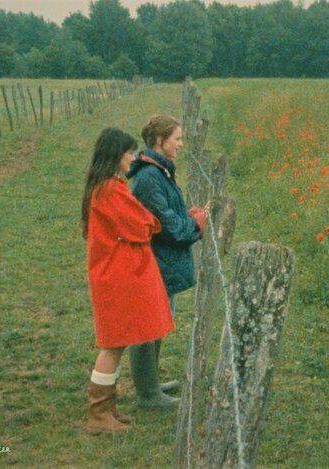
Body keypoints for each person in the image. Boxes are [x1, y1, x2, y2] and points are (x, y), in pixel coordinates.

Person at [82, 127, 174, 433]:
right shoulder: (110, 190)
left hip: (112, 273)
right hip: (116, 276)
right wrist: (149, 222)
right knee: (112, 346)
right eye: (129, 153)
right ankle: (98, 415)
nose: (133, 158)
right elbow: (141, 225)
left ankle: (107, 409)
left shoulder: (104, 187)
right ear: (115, 155)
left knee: (117, 343)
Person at [126, 114, 208, 409]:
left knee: (157, 323)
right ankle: (147, 394)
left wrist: (189, 217)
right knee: (147, 327)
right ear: (159, 141)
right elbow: (171, 228)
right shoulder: (150, 178)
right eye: (177, 139)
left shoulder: (160, 171)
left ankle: (151, 385)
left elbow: (171, 216)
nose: (181, 144)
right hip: (152, 263)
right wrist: (197, 224)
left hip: (161, 262)